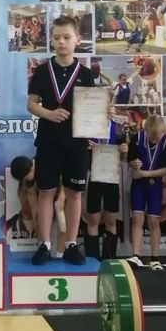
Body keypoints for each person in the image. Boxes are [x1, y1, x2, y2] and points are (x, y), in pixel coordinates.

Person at [26, 15, 105, 265]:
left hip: (76, 143)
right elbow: (31, 104)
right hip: (48, 141)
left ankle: (71, 244)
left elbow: (92, 107)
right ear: (51, 40)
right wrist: (49, 114)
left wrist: (105, 113)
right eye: (57, 38)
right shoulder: (42, 71)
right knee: (45, 192)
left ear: (77, 40)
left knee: (74, 194)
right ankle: (44, 245)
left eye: (66, 37)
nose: (61, 42)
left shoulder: (85, 74)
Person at [127, 115, 166, 270]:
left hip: (155, 185)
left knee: (154, 221)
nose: (155, 138)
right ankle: (136, 255)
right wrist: (134, 163)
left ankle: (155, 258)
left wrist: (144, 173)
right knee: (137, 219)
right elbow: (130, 160)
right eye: (152, 135)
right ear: (146, 130)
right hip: (139, 185)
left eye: (158, 135)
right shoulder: (137, 138)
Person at [85, 122, 128, 261]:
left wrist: (124, 150)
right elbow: (80, 152)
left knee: (111, 219)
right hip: (94, 176)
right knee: (93, 219)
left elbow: (123, 158)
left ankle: (109, 258)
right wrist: (85, 147)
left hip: (111, 177)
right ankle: (92, 259)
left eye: (111, 111)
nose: (109, 112)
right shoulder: (88, 127)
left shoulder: (119, 129)